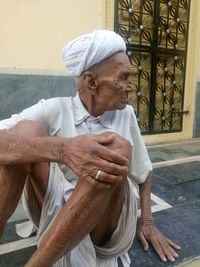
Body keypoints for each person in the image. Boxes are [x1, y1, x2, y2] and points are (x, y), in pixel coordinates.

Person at [0, 30, 181, 267]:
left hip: (104, 224)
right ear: (91, 81)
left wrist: (147, 221)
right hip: (56, 212)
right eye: (123, 77)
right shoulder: (55, 109)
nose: (131, 86)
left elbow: (143, 173)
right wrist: (62, 149)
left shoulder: (126, 115)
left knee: (118, 147)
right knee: (25, 132)